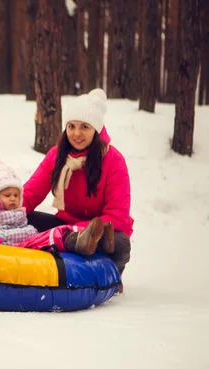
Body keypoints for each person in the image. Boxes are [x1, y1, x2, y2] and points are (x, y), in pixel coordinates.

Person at [23, 88, 134, 292]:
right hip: (66, 226)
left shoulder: (113, 160)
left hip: (102, 230)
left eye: (84, 127)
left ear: (96, 130)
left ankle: (109, 276)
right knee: (24, 219)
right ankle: (70, 244)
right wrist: (4, 213)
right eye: (71, 126)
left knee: (121, 242)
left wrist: (80, 230)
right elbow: (30, 193)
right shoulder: (57, 155)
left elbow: (117, 214)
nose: (76, 133)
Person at [0, 160, 114, 257]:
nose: (13, 199)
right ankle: (78, 240)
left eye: (16, 195)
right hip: (7, 242)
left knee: (50, 233)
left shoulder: (12, 211)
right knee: (50, 237)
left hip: (22, 239)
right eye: (7, 195)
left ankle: (90, 236)